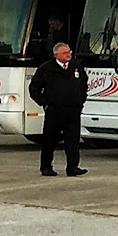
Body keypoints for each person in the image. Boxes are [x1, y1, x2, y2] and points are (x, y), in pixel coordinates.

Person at [29, 41, 88, 176]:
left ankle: (73, 166)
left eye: (70, 52)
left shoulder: (76, 66)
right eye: (66, 53)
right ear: (57, 55)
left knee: (73, 139)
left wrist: (80, 101)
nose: (69, 55)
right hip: (54, 110)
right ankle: (46, 167)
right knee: (50, 139)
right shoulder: (46, 68)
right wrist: (44, 103)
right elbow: (34, 88)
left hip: (73, 110)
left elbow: (83, 85)